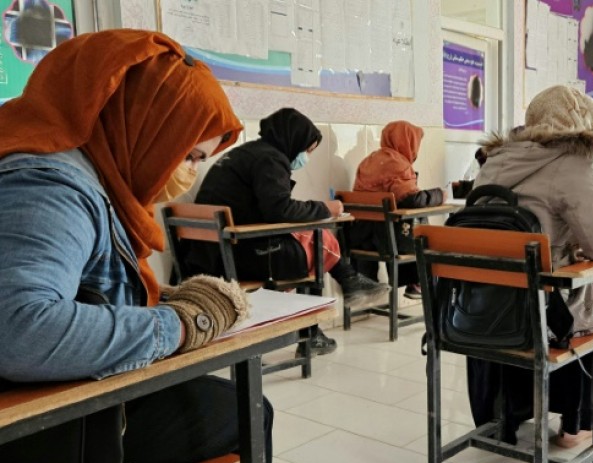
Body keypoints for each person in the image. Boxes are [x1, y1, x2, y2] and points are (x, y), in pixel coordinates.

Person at [0, 30, 273, 463]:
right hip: (39, 438)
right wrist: (178, 326)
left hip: (57, 412)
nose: (191, 172)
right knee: (244, 410)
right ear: (142, 125)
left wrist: (160, 298)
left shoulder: (67, 162)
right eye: (189, 155)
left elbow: (65, 279)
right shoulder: (50, 184)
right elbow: (18, 329)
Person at [473, 85, 593, 448]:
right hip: (542, 316)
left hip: (485, 308)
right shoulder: (573, 162)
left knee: (545, 279)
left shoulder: (495, 160)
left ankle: (503, 415)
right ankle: (576, 423)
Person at [188, 108, 389, 354]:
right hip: (237, 258)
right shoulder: (270, 159)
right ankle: (315, 329)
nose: (306, 157)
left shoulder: (245, 153)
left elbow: (267, 209)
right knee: (317, 241)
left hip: (211, 254)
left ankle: (346, 286)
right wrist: (326, 208)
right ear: (294, 139)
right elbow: (280, 209)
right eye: (307, 150)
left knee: (311, 237)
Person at [351, 120, 446, 299]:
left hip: (360, 237)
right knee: (421, 228)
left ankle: (408, 282)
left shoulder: (368, 161)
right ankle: (417, 282)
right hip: (388, 242)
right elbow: (413, 200)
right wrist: (440, 195)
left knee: (404, 223)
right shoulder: (398, 164)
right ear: (408, 141)